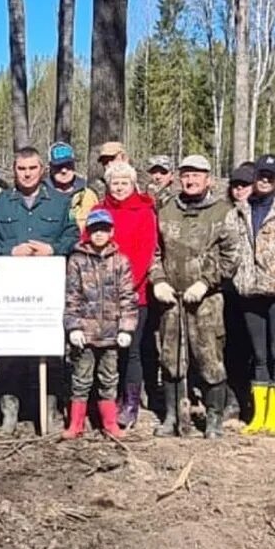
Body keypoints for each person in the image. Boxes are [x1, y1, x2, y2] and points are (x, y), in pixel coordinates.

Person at [0, 147, 79, 433]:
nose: (27, 174)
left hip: (47, 291)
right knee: (10, 353)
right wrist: (9, 250)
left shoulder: (60, 203)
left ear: (41, 170)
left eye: (32, 168)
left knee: (50, 350)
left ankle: (48, 409)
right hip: (10, 291)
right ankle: (9, 411)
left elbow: (73, 234)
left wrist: (53, 248)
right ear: (15, 170)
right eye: (21, 169)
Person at [147, 155, 243, 438]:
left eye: (197, 175)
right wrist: (158, 280)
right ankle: (174, 416)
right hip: (171, 300)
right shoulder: (166, 210)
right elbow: (154, 252)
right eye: (186, 175)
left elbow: (231, 257)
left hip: (206, 301)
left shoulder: (222, 212)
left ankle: (213, 419)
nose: (190, 180)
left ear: (208, 179)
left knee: (209, 358)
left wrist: (206, 282)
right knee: (171, 358)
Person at [225, 155, 275, 437]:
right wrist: (236, 276)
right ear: (255, 176)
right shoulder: (239, 210)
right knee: (258, 356)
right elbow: (230, 248)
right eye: (261, 174)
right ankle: (258, 416)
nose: (265, 180)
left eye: (271, 176)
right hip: (250, 291)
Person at [64, 210, 138, 440]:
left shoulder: (121, 260)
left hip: (111, 333)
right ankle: (75, 424)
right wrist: (73, 326)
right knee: (81, 378)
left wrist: (126, 328)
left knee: (109, 378)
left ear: (111, 232)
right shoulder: (77, 260)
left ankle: (109, 423)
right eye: (94, 230)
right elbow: (71, 296)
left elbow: (128, 296)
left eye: (103, 230)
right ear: (88, 233)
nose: (99, 234)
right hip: (84, 334)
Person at [97, 162, 159, 429]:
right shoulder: (99, 210)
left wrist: (126, 287)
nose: (119, 187)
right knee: (106, 350)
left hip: (135, 293)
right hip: (101, 293)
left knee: (131, 350)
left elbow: (146, 253)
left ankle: (131, 403)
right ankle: (106, 401)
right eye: (115, 182)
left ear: (133, 184)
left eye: (124, 182)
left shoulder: (144, 211)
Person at [48, 142, 100, 223]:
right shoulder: (41, 195)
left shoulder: (88, 196)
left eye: (68, 165)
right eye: (59, 166)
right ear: (51, 167)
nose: (64, 171)